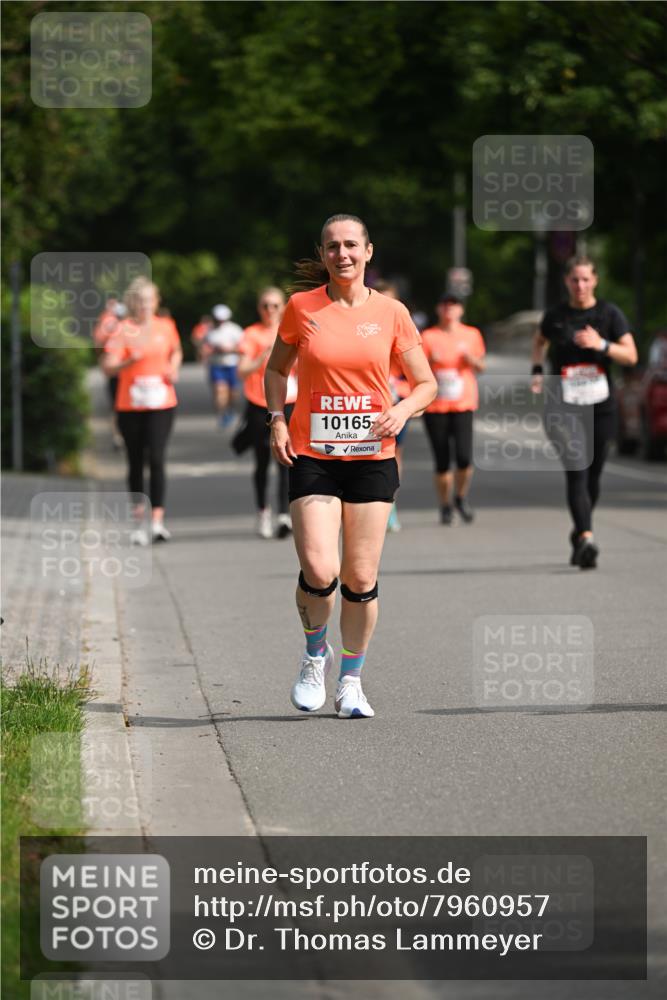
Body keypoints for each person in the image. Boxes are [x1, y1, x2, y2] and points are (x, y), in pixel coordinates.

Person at [265, 214, 436, 718]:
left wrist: (402, 410)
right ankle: (315, 654)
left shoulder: (391, 313)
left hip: (371, 457)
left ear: (368, 252)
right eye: (332, 246)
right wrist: (276, 418)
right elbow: (276, 369)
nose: (342, 254)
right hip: (313, 453)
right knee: (320, 570)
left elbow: (425, 383)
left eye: (351, 245)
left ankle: (352, 681)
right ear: (322, 255)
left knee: (360, 577)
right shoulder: (301, 308)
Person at [531, 255, 637, 568]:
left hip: (600, 406)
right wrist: (537, 371)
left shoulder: (609, 314)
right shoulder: (555, 316)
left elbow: (631, 355)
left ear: (595, 281)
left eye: (586, 279)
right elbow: (539, 342)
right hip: (562, 406)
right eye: (575, 279)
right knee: (577, 467)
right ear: (567, 281)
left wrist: (601, 344)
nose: (580, 285)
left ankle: (579, 532)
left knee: (593, 476)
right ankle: (588, 537)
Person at [101, 277, 182, 544]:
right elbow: (107, 366)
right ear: (132, 303)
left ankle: (157, 521)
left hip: (162, 402)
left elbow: (176, 350)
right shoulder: (122, 329)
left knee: (157, 458)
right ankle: (138, 521)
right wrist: (127, 361)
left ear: (156, 301)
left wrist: (174, 366)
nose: (145, 305)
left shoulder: (166, 326)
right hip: (131, 405)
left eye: (149, 300)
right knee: (136, 461)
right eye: (140, 300)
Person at [237, 287, 298, 539]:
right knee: (262, 460)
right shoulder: (251, 334)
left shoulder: (291, 330)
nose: (269, 311)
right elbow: (242, 371)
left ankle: (284, 514)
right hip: (258, 402)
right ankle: (263, 511)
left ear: (283, 307)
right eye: (265, 306)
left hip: (289, 401)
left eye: (274, 305)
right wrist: (264, 356)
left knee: (287, 458)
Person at [421, 294, 486, 524]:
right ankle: (445, 505)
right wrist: (431, 362)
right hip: (435, 407)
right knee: (441, 460)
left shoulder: (471, 334)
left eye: (454, 305)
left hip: (463, 403)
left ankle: (460, 496)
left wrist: (471, 360)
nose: (449, 309)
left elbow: (481, 366)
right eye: (445, 305)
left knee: (464, 457)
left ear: (460, 310)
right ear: (439, 309)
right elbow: (416, 370)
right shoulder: (428, 336)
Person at [374, 279, 411, 532]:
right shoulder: (365, 326)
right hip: (366, 406)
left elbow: (418, 374)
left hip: (396, 403)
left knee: (393, 454)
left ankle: (390, 503)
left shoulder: (404, 327)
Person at [201, 304, 244, 427]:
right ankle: (222, 414)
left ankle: (230, 409)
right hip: (216, 365)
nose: (219, 322)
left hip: (232, 364)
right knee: (220, 390)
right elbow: (204, 347)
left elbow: (243, 347)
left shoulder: (235, 329)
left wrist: (230, 349)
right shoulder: (209, 331)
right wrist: (211, 351)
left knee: (233, 393)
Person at [93, 296, 127, 449]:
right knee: (115, 406)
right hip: (115, 373)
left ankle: (124, 435)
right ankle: (117, 436)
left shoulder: (131, 324)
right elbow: (99, 345)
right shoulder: (106, 324)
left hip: (130, 374)